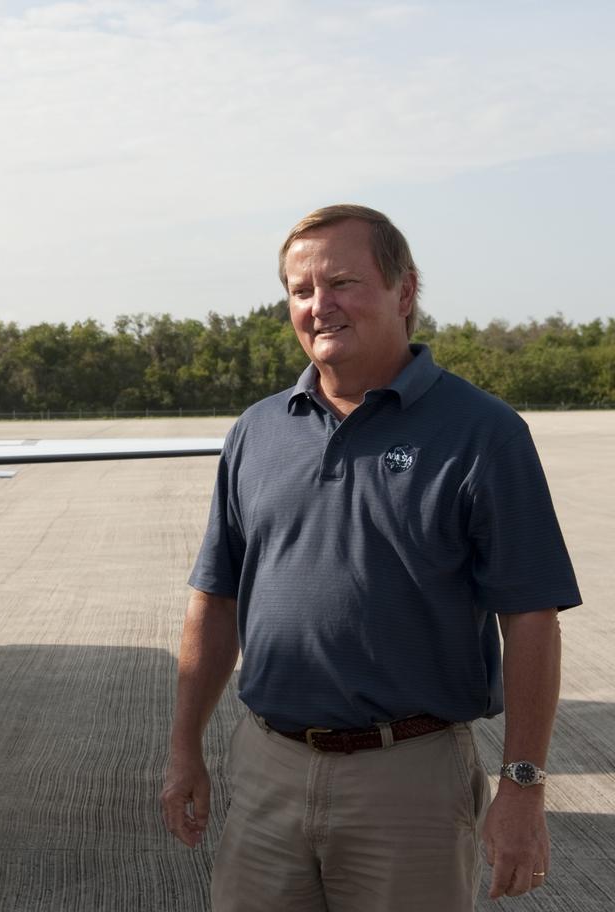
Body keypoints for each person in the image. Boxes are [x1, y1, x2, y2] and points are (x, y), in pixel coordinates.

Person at [160, 204, 580, 910]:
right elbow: (217, 599)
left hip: (408, 781)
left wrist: (524, 787)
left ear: (404, 291)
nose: (319, 306)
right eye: (300, 291)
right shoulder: (257, 433)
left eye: (343, 283)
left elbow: (532, 619)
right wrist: (184, 749)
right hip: (268, 770)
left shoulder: (484, 434)